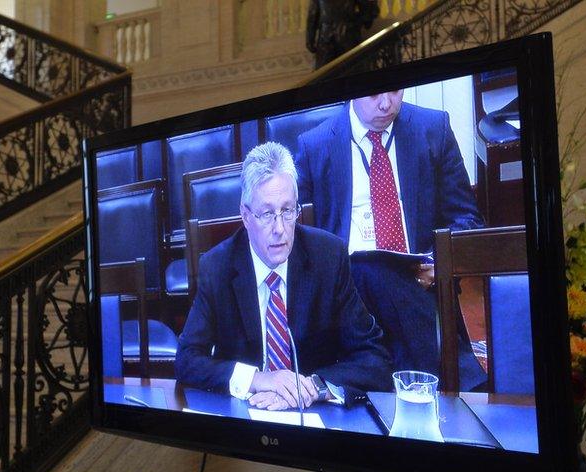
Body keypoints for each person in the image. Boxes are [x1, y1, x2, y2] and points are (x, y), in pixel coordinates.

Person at [175, 142, 391, 410]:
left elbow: (374, 358)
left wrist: (313, 386)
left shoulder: (328, 257)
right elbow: (187, 361)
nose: (280, 229)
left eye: (287, 211)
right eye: (266, 214)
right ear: (245, 215)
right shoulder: (217, 267)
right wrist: (258, 379)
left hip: (315, 415)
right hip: (249, 410)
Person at [295, 90, 487, 391]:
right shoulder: (315, 145)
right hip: (347, 293)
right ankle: (450, 381)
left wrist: (439, 263)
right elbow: (302, 242)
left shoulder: (432, 129)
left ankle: (384, 384)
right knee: (370, 267)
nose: (386, 104)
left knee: (382, 276)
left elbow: (468, 220)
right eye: (373, 94)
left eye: (395, 91)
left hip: (420, 283)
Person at [306, 0, 379, 69]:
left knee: (323, 74)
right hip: (348, 34)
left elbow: (312, 15)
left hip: (326, 35)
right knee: (350, 70)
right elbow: (366, 11)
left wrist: (310, 39)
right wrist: (363, 22)